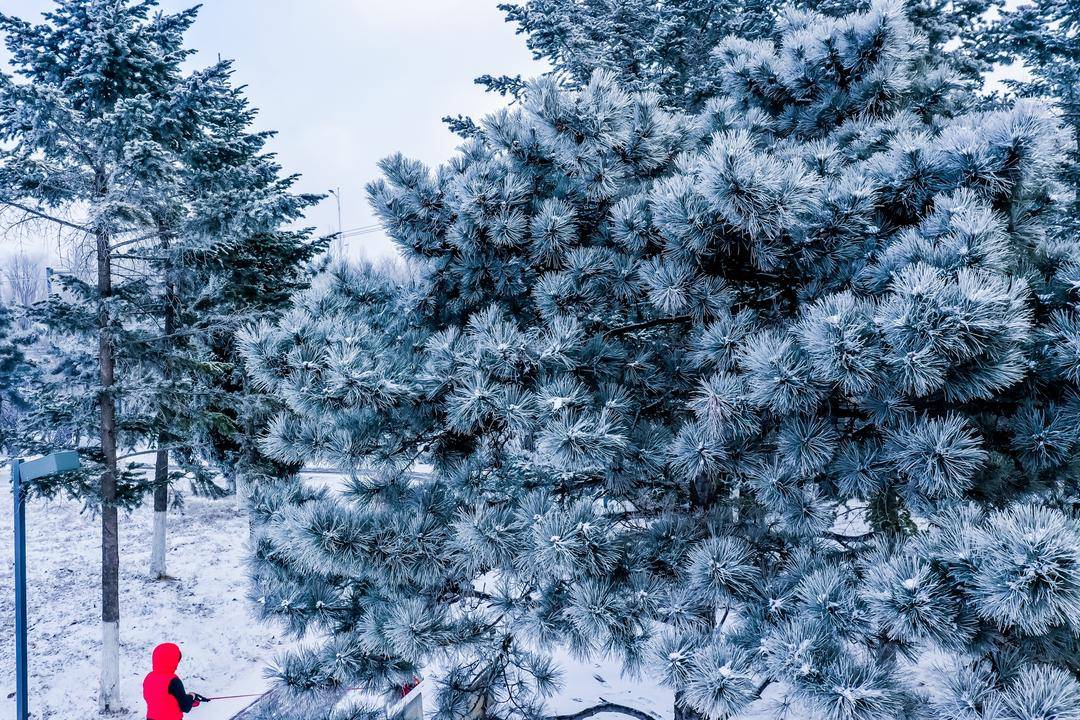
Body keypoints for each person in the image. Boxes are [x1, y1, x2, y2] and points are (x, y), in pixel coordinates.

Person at [143, 642, 209, 720]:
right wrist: (192, 695)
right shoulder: (173, 681)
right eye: (176, 660)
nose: (177, 665)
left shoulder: (149, 677)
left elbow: (162, 699)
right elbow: (185, 707)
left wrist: (187, 697)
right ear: (171, 660)